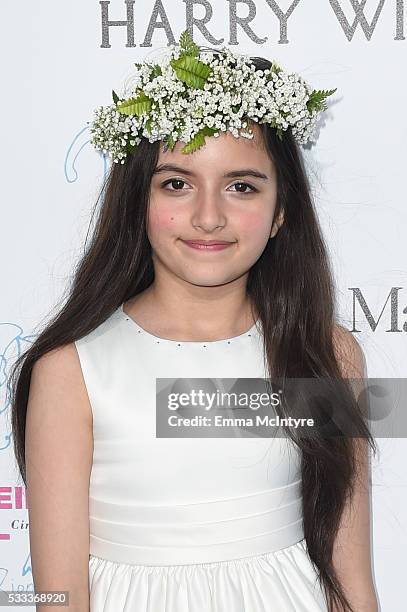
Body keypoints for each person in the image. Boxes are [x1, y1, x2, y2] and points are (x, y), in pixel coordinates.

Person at [10, 32, 379, 612]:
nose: (208, 217)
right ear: (138, 201)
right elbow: (59, 597)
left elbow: (351, 580)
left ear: (281, 211)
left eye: (241, 186)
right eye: (177, 183)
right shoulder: (72, 373)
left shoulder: (326, 352)